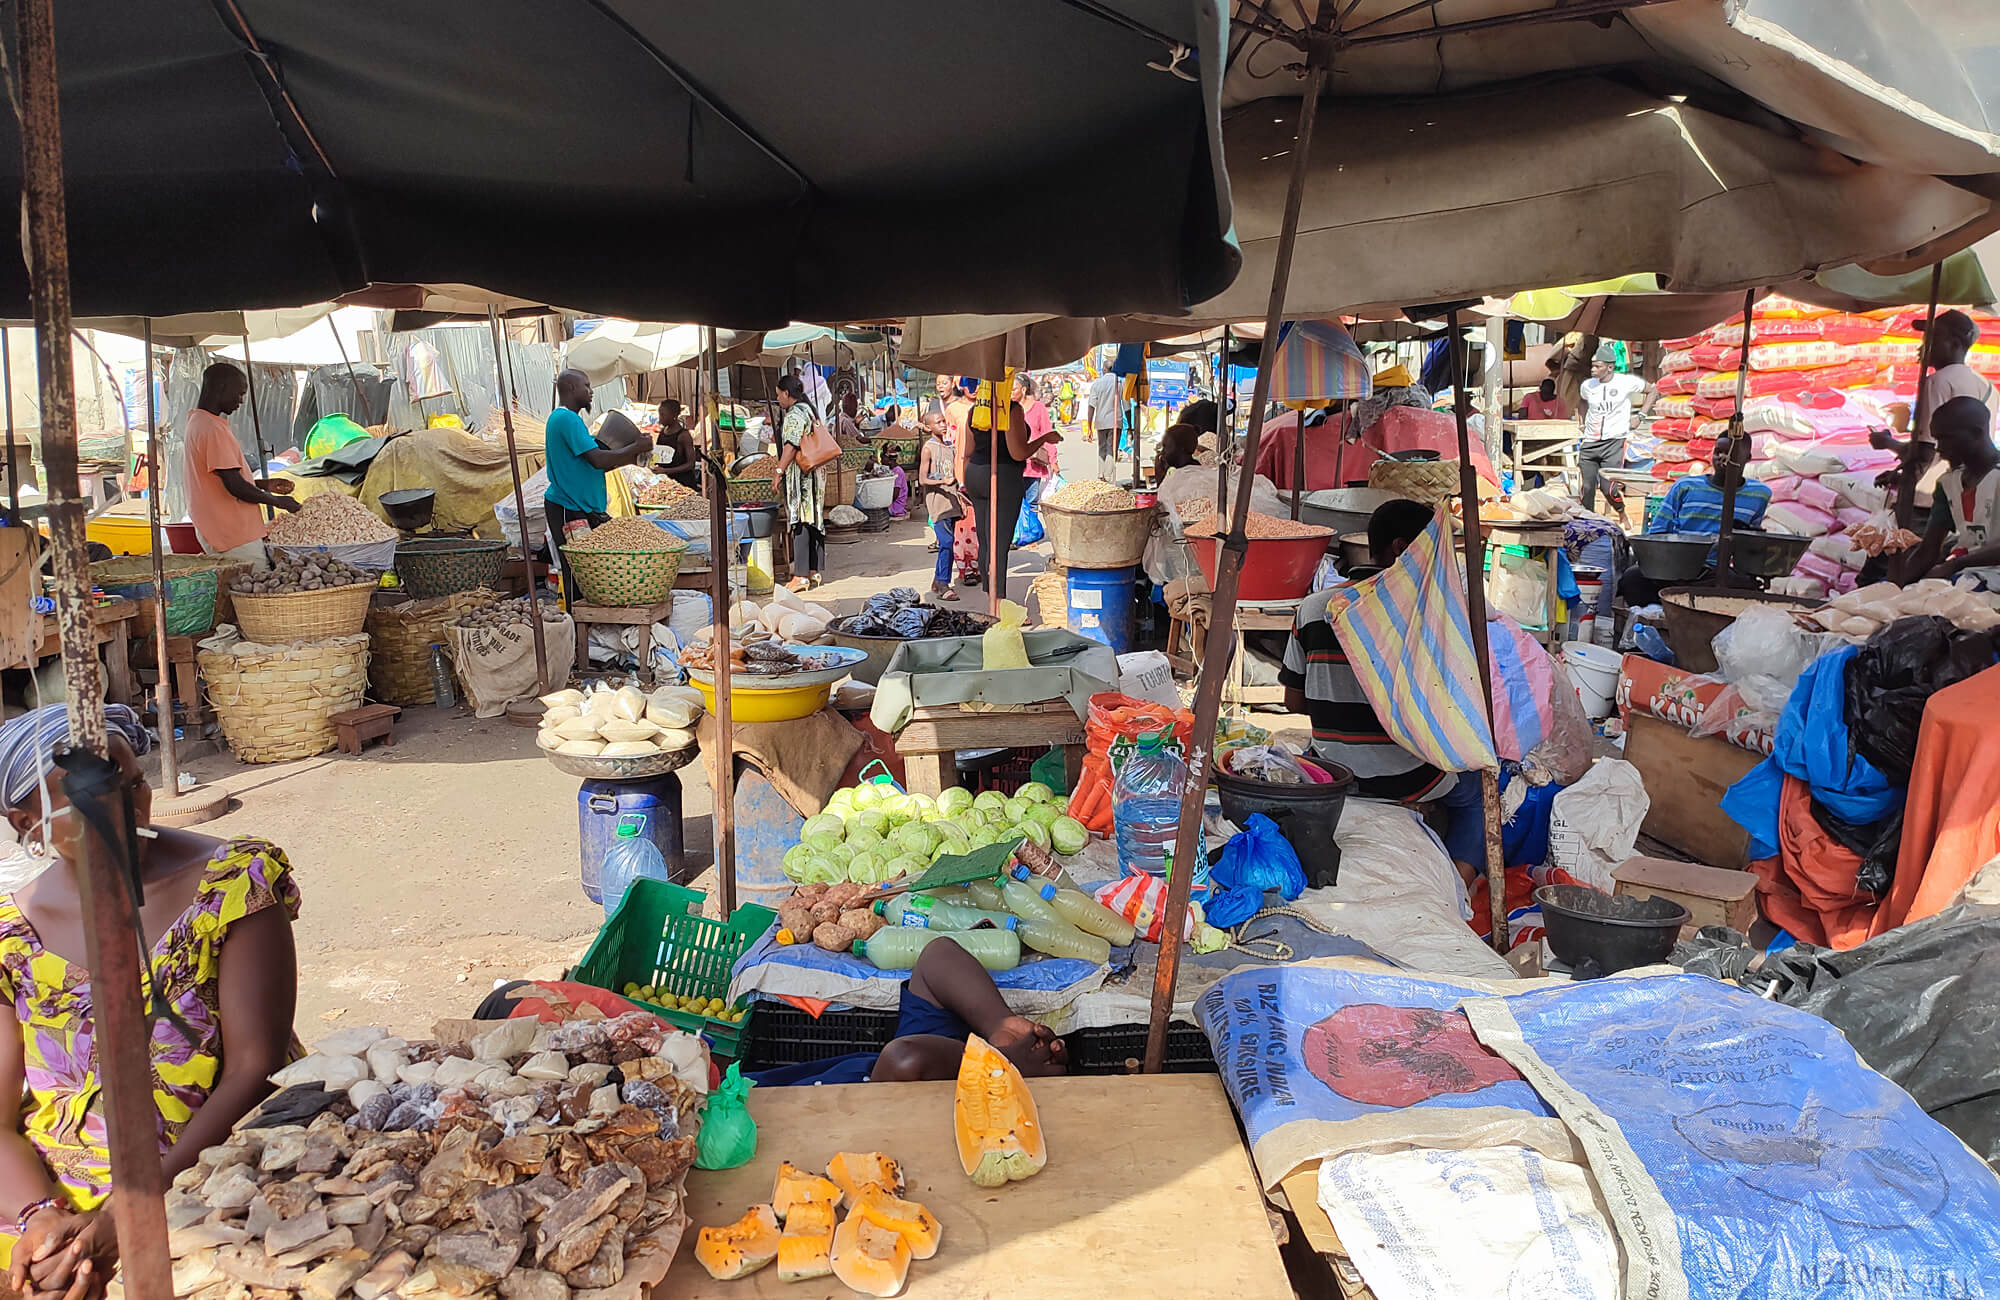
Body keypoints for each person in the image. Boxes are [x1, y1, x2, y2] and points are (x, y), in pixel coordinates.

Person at [0, 705, 300, 1294]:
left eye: (132, 786)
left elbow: (255, 1068)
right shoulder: (11, 938)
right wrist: (41, 1222)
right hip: (50, 1205)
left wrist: (135, 1210)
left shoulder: (230, 883)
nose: (121, 814)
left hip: (208, 1174)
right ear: (25, 820)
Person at [1279, 499, 1485, 884]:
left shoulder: (1312, 608)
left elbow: (1293, 701)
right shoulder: (1423, 616)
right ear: (1402, 548)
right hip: (1406, 777)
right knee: (1477, 793)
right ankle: (1460, 881)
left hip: (1334, 769)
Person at [748, 936, 1065, 1086]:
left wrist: (1000, 1024)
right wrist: (998, 1065)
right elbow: (904, 1061)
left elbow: (936, 958)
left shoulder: (749, 1095)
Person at [543, 369, 649, 608]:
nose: (591, 392)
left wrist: (631, 454)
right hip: (568, 506)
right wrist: (634, 448)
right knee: (577, 570)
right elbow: (597, 460)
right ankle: (579, 627)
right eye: (586, 386)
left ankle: (585, 626)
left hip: (581, 506)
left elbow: (598, 463)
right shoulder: (566, 419)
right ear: (570, 389)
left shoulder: (572, 421)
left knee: (589, 569)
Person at [183, 362, 299, 571]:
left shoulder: (197, 422)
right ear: (221, 388)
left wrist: (265, 484)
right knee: (256, 590)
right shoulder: (212, 429)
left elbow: (218, 478)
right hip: (233, 534)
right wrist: (279, 502)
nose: (241, 401)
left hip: (219, 530)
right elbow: (234, 486)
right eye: (239, 394)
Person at [1871, 309, 1996, 481]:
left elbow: (1925, 453)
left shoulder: (1937, 382)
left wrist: (1886, 442)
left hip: (1935, 491)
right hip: (1970, 482)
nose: (1921, 347)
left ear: (1954, 344)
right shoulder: (1988, 386)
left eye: (1932, 339)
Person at [963, 393, 1059, 602]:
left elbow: (967, 451)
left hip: (975, 474)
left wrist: (964, 482)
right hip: (1002, 475)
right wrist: (1044, 438)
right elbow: (1018, 452)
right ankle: (998, 604)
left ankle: (991, 596)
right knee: (999, 542)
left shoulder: (975, 411)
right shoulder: (1011, 409)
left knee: (986, 539)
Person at [1905, 396, 2000, 588]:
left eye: (1946, 438)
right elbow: (1928, 550)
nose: (1939, 448)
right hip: (1967, 576)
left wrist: (1956, 564)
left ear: (1976, 433)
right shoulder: (1949, 484)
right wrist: (1892, 586)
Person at [1577, 346, 1654, 512]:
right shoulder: (1588, 386)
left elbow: (1653, 390)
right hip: (1590, 442)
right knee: (1588, 488)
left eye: (1598, 366)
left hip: (1614, 443)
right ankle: (1588, 522)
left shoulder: (1625, 382)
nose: (1593, 370)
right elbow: (1582, 401)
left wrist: (1641, 416)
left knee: (1609, 489)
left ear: (1610, 367)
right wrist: (1582, 423)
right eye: (1592, 366)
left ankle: (1621, 513)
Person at [772, 375, 827, 591]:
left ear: (787, 394)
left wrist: (779, 471)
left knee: (801, 520)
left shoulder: (795, 414)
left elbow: (791, 445)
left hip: (802, 477)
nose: (778, 399)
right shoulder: (809, 409)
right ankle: (814, 571)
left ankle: (801, 575)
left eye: (779, 395)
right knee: (813, 518)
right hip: (815, 475)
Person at [919, 422, 962, 601]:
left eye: (944, 421)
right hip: (937, 503)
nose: (943, 425)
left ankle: (938, 581)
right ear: (928, 427)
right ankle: (943, 584)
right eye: (938, 422)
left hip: (952, 502)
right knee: (946, 541)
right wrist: (942, 481)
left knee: (949, 543)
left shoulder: (949, 448)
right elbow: (922, 479)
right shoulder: (928, 448)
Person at [1014, 374, 1057, 539]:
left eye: (1014, 389)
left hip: (1033, 466)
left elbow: (1047, 433)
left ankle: (1031, 534)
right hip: (1014, 465)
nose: (1010, 392)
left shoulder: (1038, 408)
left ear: (1024, 390)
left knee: (1031, 502)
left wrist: (1053, 459)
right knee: (1014, 502)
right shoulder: (1009, 408)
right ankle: (1016, 534)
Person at [653, 399, 701, 490]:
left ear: (674, 415)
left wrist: (666, 471)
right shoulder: (663, 432)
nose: (660, 418)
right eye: (659, 414)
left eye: (663, 415)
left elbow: (691, 464)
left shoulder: (683, 436)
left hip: (683, 483)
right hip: (667, 483)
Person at [1084, 368, 1122, 478]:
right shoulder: (1119, 383)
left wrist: (1089, 425)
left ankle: (1101, 473)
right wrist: (1129, 423)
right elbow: (1126, 404)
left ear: (1104, 370)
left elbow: (1091, 406)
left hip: (1101, 421)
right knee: (1112, 448)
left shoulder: (1097, 384)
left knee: (1102, 447)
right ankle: (1107, 474)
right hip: (1115, 420)